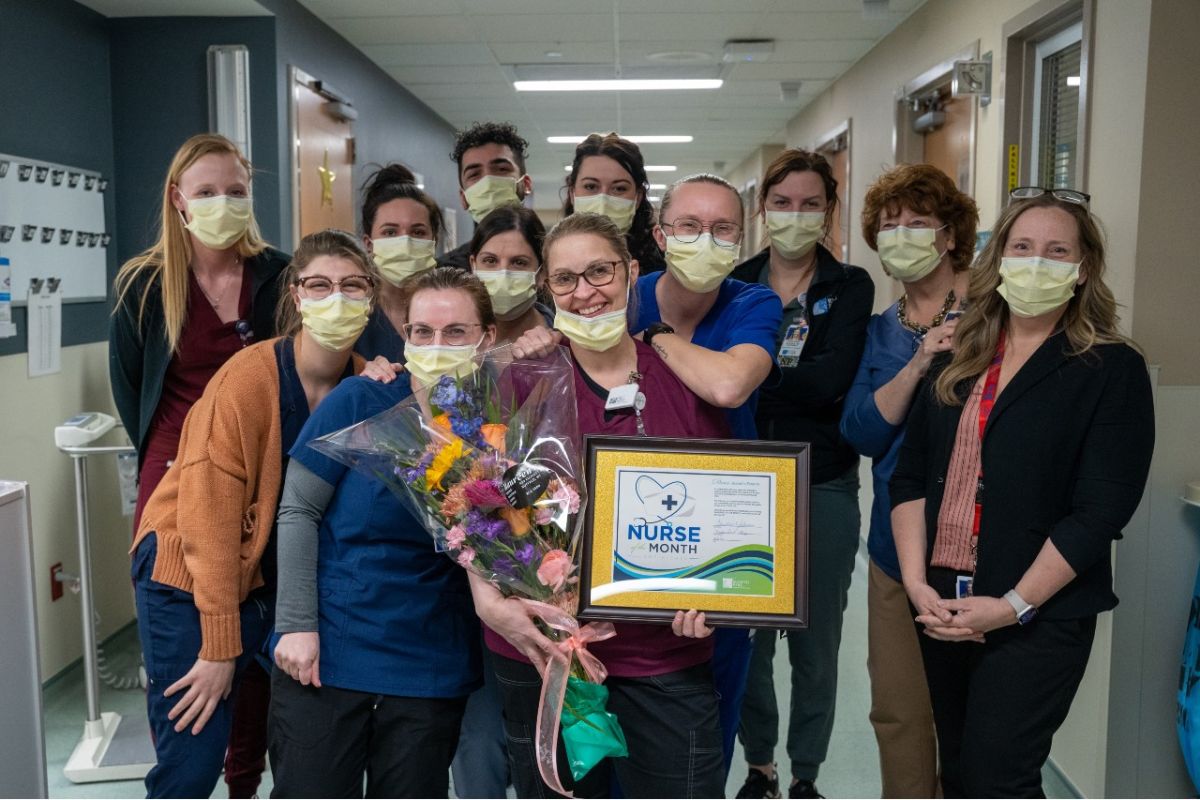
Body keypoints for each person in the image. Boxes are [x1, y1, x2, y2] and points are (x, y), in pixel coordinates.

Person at [889, 189, 1154, 797]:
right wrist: (916, 584)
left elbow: (1100, 511)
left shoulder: (1110, 369)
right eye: (1023, 247)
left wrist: (1011, 605)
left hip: (1038, 614)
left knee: (997, 777)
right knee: (956, 772)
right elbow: (910, 478)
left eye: (1057, 250)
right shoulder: (958, 355)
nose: (1038, 262)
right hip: (942, 602)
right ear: (998, 258)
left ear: (1082, 268)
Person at [476, 212, 730, 797]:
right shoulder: (519, 383)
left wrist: (718, 593)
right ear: (547, 288)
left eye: (600, 272)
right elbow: (472, 509)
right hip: (547, 654)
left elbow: (721, 505)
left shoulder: (682, 379)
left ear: (632, 272)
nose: (585, 292)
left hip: (665, 651)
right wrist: (491, 603)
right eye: (565, 279)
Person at [129, 229, 373, 798]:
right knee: (192, 757)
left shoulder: (365, 386)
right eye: (319, 285)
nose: (336, 298)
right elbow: (209, 525)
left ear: (371, 295)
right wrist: (218, 647)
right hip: (187, 576)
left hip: (268, 583)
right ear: (295, 296)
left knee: (286, 746)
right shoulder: (246, 381)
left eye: (352, 286)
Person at [269, 267, 495, 798]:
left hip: (430, 658)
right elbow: (297, 509)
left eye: (455, 333)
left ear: (486, 340)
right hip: (330, 647)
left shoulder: (495, 423)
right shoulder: (361, 400)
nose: (436, 345)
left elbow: (517, 538)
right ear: (405, 335)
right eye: (422, 332)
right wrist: (296, 625)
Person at [109, 132, 288, 798]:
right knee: (191, 683)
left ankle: (243, 785)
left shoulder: (280, 275)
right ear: (178, 199)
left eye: (236, 191)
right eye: (207, 192)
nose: (222, 203)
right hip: (176, 499)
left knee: (250, 676)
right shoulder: (147, 287)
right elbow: (136, 398)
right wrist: (186, 466)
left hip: (261, 489)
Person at [729, 149, 874, 800]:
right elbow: (724, 390)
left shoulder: (850, 287)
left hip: (823, 484)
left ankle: (806, 776)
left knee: (816, 647)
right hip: (743, 484)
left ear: (829, 209)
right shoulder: (735, 284)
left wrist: (756, 378)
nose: (795, 215)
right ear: (763, 209)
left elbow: (828, 384)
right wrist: (778, 384)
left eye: (811, 203)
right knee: (748, 645)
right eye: (782, 202)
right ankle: (759, 765)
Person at [839, 162, 979, 798]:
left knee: (977, 719)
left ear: (949, 236)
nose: (903, 236)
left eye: (919, 224)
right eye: (890, 226)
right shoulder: (879, 332)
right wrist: (921, 361)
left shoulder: (995, 313)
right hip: (899, 547)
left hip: (986, 542)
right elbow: (865, 433)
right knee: (897, 710)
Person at [356, 162, 445, 360]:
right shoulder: (353, 315)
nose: (405, 241)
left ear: (433, 241)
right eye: (390, 232)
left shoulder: (452, 308)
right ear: (369, 244)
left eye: (418, 232)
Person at [562, 132, 666, 273]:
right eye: (591, 186)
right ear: (572, 193)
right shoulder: (551, 262)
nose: (603, 200)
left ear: (638, 197)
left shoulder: (661, 270)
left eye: (619, 188)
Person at [441, 121, 532, 270]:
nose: (488, 182)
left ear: (526, 184)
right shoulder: (447, 271)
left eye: (502, 169)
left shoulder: (552, 261)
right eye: (474, 174)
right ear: (463, 198)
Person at [469, 205, 555, 342]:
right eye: (490, 260)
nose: (503, 275)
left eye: (519, 263)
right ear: (473, 265)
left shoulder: (567, 343)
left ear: (542, 273)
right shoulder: (449, 341)